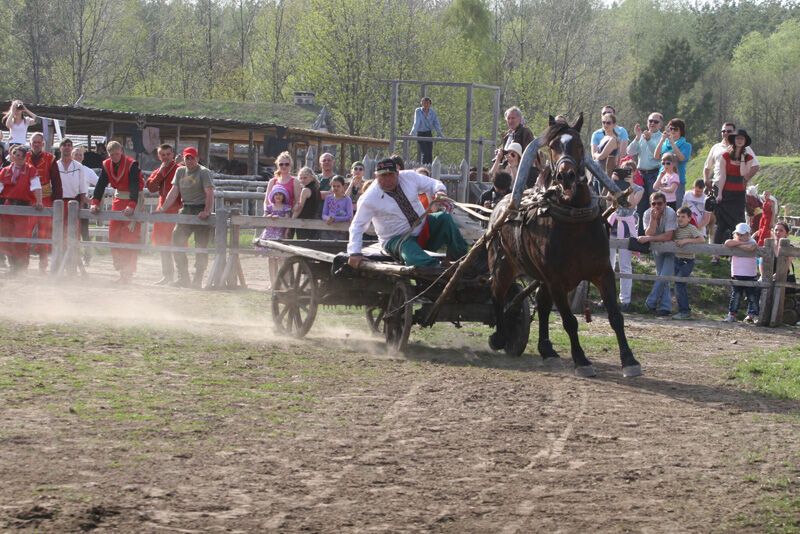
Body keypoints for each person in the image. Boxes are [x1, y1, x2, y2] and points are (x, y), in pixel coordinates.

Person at [347, 158, 468, 268]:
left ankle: (465, 260)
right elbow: (357, 225)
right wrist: (354, 252)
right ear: (376, 176)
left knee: (444, 218)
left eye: (391, 175)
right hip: (397, 240)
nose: (387, 179)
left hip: (423, 228)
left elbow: (433, 183)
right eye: (383, 176)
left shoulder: (409, 177)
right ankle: (439, 270)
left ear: (397, 173)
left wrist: (440, 192)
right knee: (409, 250)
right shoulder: (369, 198)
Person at [154, 147, 214, 288]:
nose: (189, 161)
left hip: (200, 209)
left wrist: (206, 211)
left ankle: (198, 278)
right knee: (176, 240)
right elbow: (174, 191)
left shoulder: (204, 172)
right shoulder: (180, 171)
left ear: (197, 158)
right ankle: (183, 277)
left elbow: (209, 193)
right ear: (183, 158)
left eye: (192, 158)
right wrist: (163, 208)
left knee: (201, 245)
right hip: (186, 209)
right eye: (187, 158)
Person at [89, 140, 144, 283]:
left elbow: (134, 185)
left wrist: (132, 205)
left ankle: (127, 273)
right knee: (113, 236)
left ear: (122, 152)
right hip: (118, 200)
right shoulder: (107, 165)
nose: (115, 157)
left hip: (133, 201)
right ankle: (120, 268)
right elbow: (101, 184)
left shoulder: (132, 164)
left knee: (129, 238)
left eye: (117, 154)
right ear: (108, 154)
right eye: (112, 154)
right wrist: (95, 202)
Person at [606, 167, 644, 312]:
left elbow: (630, 204)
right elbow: (610, 201)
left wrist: (629, 186)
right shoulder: (615, 185)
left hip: (627, 226)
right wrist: (613, 182)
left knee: (625, 265)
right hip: (613, 223)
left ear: (634, 172)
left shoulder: (638, 189)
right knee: (608, 264)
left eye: (629, 171)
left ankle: (625, 300)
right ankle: (607, 298)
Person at [0, 145, 42, 273]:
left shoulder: (31, 170)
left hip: (23, 206)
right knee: (6, 236)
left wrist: (39, 201)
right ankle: (13, 266)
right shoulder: (5, 171)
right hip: (8, 206)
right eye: (15, 154)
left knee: (21, 236)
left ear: (25, 157)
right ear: (11, 156)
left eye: (20, 155)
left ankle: (21, 266)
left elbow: (36, 187)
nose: (17, 157)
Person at [713, 129, 754, 258]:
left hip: (739, 194)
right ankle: (716, 254)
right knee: (721, 224)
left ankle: (735, 254)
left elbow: (743, 173)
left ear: (745, 141)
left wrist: (741, 157)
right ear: (734, 140)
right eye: (737, 138)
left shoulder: (748, 157)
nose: (739, 140)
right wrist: (719, 193)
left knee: (738, 223)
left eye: (742, 138)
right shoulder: (725, 155)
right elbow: (722, 176)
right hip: (726, 192)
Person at [146, 144, 182, 285]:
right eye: (163, 155)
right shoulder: (159, 170)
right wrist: (160, 173)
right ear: (158, 156)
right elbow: (151, 187)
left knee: (176, 242)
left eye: (168, 154)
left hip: (176, 208)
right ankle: (167, 275)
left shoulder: (180, 169)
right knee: (162, 243)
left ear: (172, 154)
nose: (166, 157)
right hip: (162, 208)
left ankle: (181, 276)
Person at [638, 192, 677, 316]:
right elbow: (649, 232)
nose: (656, 206)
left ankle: (650, 303)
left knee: (663, 277)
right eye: (653, 204)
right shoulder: (647, 214)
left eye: (659, 203)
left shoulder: (671, 213)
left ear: (665, 203)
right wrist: (653, 220)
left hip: (671, 248)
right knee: (662, 276)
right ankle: (666, 307)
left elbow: (669, 235)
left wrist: (649, 239)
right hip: (657, 249)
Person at [25, 132, 59, 272]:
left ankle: (43, 267)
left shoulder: (50, 158)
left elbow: (56, 182)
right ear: (30, 144)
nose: (37, 144)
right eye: (34, 142)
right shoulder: (23, 156)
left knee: (44, 233)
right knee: (25, 232)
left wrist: (57, 199)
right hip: (27, 198)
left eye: (39, 142)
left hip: (45, 198)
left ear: (43, 144)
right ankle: (22, 265)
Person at [627, 112, 664, 233]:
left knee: (655, 205)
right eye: (650, 121)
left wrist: (648, 140)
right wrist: (637, 137)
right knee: (641, 207)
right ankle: (641, 236)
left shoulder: (662, 137)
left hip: (654, 174)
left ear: (660, 124)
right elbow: (630, 152)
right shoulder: (642, 136)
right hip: (641, 174)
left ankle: (655, 236)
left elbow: (658, 156)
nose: (652, 123)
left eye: (655, 121)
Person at [703, 122, 760, 190]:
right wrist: (706, 180)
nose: (726, 133)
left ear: (734, 132)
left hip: (736, 187)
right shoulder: (716, 147)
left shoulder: (744, 147)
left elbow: (755, 166)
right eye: (723, 131)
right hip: (718, 186)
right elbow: (707, 167)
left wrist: (744, 179)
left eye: (729, 131)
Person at [672, 207, 705, 320]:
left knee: (680, 283)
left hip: (687, 260)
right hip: (677, 259)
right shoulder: (675, 228)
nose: (680, 219)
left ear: (689, 218)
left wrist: (686, 241)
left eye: (683, 217)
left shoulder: (691, 228)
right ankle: (683, 310)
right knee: (678, 284)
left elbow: (701, 239)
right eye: (678, 216)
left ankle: (685, 311)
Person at [256, 184, 293, 287]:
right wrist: (270, 216)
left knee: (281, 259)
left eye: (280, 194)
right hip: (269, 234)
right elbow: (264, 217)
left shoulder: (286, 208)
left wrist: (279, 218)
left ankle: (283, 283)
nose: (278, 196)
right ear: (273, 196)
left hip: (280, 234)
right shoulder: (269, 207)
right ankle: (273, 283)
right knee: (271, 260)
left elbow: (287, 219)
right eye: (276, 194)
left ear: (283, 196)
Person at [723, 222, 760, 323]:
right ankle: (732, 314)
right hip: (737, 273)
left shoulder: (752, 241)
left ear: (748, 234)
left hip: (750, 274)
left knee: (752, 296)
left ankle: (753, 315)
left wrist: (737, 245)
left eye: (742, 234)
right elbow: (727, 243)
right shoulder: (735, 241)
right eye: (738, 234)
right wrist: (741, 243)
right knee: (736, 295)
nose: (739, 236)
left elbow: (751, 248)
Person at [53, 138, 88, 243]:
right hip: (59, 203)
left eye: (69, 145)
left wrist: (81, 206)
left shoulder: (78, 166)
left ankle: (75, 258)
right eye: (64, 145)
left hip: (74, 202)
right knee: (59, 231)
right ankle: (59, 257)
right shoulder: (54, 165)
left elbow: (82, 188)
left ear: (71, 148)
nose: (67, 147)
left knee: (74, 232)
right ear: (60, 148)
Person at [654, 118, 692, 206]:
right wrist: (662, 140)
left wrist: (673, 144)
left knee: (676, 208)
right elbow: (656, 156)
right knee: (660, 208)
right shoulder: (664, 144)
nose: (673, 131)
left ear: (681, 131)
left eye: (675, 129)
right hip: (663, 180)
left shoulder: (686, 145)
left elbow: (682, 158)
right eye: (671, 129)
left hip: (677, 181)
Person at [409, 97, 444, 164]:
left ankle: (430, 169)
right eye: (424, 103)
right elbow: (416, 122)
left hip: (428, 133)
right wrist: (412, 133)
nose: (425, 104)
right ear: (421, 103)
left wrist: (440, 134)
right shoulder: (418, 111)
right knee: (425, 152)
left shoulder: (432, 112)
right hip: (421, 134)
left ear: (430, 104)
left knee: (430, 153)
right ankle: (424, 168)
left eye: (427, 103)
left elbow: (436, 123)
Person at [294, 166, 322, 239]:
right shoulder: (317, 189)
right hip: (314, 222)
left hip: (304, 222)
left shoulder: (305, 190)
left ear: (312, 178)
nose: (302, 180)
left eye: (305, 178)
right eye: (301, 178)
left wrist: (292, 219)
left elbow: (300, 207)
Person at [321, 176, 353, 240]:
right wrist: (328, 218)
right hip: (328, 229)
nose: (336, 188)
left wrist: (335, 219)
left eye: (338, 186)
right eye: (334, 186)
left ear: (343, 187)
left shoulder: (347, 199)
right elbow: (324, 214)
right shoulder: (328, 198)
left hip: (341, 230)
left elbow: (349, 216)